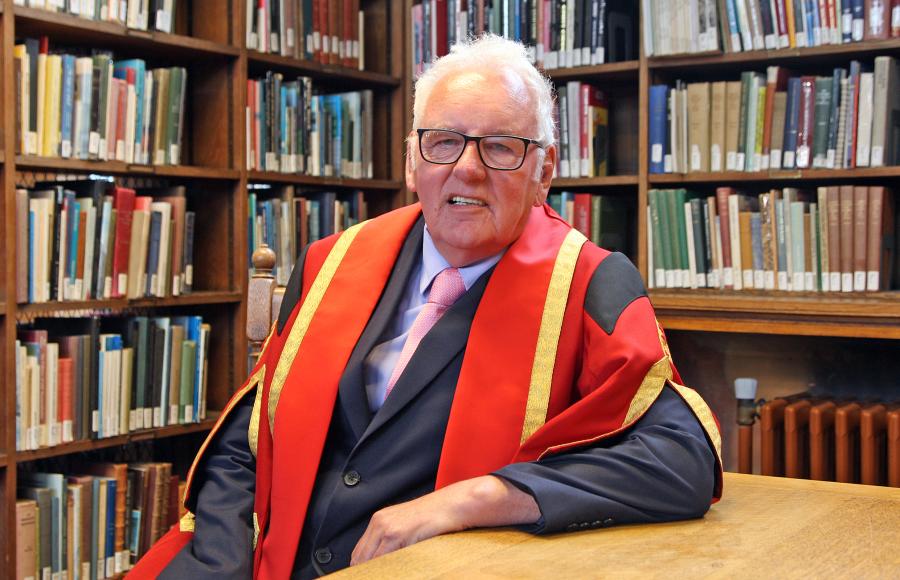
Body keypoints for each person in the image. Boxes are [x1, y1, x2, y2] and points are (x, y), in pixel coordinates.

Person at [132, 35, 723, 579]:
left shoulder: (589, 284)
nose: (467, 167)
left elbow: (680, 461)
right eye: (444, 142)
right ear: (413, 162)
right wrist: (220, 568)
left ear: (544, 169)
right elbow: (248, 442)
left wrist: (474, 499)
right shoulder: (329, 263)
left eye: (500, 147)